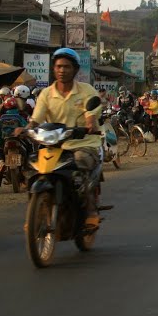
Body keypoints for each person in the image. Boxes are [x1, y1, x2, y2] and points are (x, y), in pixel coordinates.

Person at [28, 48, 103, 230]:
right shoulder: (46, 94)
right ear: (53, 69)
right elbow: (36, 118)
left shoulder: (87, 91)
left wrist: (89, 124)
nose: (62, 70)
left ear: (75, 69)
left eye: (67, 67)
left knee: (80, 164)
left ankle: (91, 210)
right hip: (54, 145)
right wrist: (27, 128)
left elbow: (91, 115)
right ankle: (35, 213)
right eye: (59, 66)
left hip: (83, 143)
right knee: (33, 167)